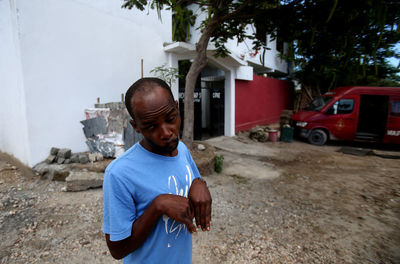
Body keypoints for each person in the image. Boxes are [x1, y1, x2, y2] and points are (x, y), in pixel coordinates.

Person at [102, 77, 212, 263]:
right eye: (151, 126)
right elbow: (117, 250)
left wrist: (199, 182)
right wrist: (157, 206)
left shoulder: (182, 150)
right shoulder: (119, 173)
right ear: (136, 127)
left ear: (177, 108)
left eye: (171, 119)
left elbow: (191, 183)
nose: (166, 132)